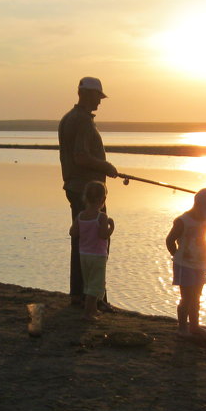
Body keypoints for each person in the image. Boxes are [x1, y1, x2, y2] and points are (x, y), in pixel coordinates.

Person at [58, 76, 119, 306]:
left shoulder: (67, 118)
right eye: (98, 96)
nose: (100, 102)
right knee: (99, 244)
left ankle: (79, 295)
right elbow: (81, 156)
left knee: (81, 243)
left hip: (75, 187)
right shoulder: (82, 121)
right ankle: (95, 298)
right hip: (88, 192)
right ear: (85, 94)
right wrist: (106, 167)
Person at [165, 188, 206, 335]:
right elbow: (169, 240)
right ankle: (183, 328)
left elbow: (204, 241)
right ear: (199, 206)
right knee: (187, 298)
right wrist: (176, 255)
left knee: (196, 297)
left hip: (199, 264)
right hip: (184, 265)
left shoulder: (205, 221)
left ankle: (194, 327)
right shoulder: (182, 221)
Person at [69, 180, 115, 320]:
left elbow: (73, 233)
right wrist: (111, 228)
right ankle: (88, 313)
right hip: (98, 256)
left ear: (85, 198)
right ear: (103, 199)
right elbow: (103, 235)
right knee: (96, 285)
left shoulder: (81, 215)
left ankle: (93, 309)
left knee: (88, 282)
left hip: (83, 254)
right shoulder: (102, 217)